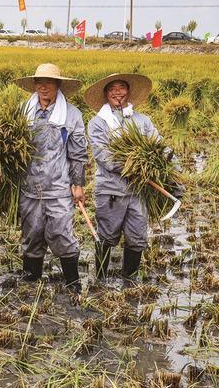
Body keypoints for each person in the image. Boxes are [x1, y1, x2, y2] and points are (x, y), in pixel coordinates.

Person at [84, 73, 172, 282]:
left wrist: (168, 157)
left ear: (128, 91)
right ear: (105, 94)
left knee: (137, 236)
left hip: (139, 191)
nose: (118, 92)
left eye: (121, 87)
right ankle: (101, 279)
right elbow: (103, 156)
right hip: (111, 190)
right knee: (107, 235)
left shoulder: (142, 120)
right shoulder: (98, 123)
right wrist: (135, 166)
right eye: (112, 88)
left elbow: (157, 143)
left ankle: (130, 280)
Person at [13, 63, 87, 292]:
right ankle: (31, 281)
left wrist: (78, 184)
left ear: (58, 85)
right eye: (39, 82)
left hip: (58, 188)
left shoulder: (72, 115)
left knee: (61, 234)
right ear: (34, 85)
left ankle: (73, 284)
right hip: (29, 188)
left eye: (49, 82)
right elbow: (9, 148)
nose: (43, 87)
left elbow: (77, 154)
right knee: (32, 235)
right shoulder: (22, 113)